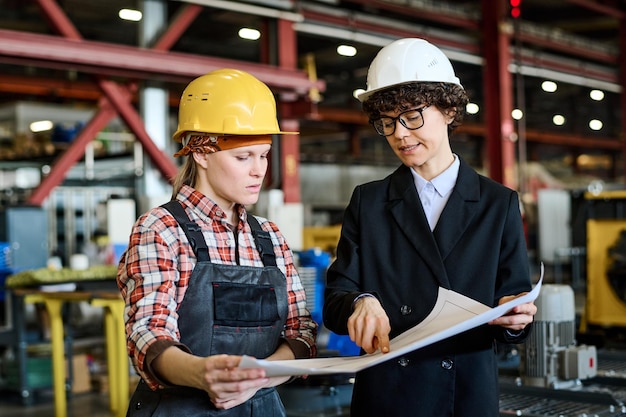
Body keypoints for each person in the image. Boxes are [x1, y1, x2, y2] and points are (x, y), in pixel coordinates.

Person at [323, 38, 537, 417]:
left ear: (449, 109)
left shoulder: (497, 203)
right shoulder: (369, 202)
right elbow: (337, 297)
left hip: (465, 395)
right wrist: (360, 302)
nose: (400, 134)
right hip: (388, 393)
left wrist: (514, 318)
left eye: (412, 116)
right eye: (387, 123)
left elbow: (513, 306)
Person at [117, 68, 317, 416]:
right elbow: (148, 333)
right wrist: (202, 373)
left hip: (263, 405)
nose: (259, 170)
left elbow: (301, 333)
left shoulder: (270, 236)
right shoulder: (161, 228)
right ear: (201, 153)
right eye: (243, 157)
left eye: (264, 155)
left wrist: (257, 379)